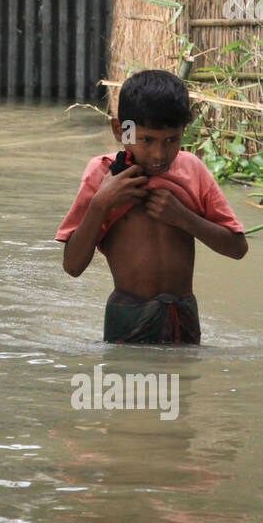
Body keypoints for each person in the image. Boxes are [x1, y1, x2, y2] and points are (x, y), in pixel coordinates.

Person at [56, 69, 248, 344]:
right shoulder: (101, 175)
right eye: (146, 140)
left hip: (183, 317)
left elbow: (238, 248)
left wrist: (183, 218)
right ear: (120, 130)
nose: (159, 154)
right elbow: (72, 266)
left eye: (172, 140)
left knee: (182, 386)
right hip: (127, 316)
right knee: (127, 381)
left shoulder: (193, 170)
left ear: (184, 132)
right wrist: (101, 203)